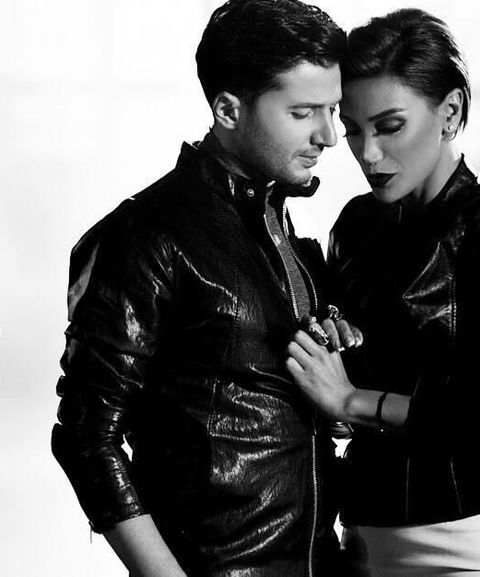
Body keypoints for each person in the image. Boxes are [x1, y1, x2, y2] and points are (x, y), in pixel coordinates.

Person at [51, 1, 350, 576]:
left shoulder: (286, 236)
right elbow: (87, 436)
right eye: (303, 112)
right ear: (228, 109)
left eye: (333, 110)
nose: (329, 135)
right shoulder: (146, 234)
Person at [286, 8, 480, 577]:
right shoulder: (355, 227)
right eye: (353, 129)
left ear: (450, 113)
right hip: (363, 533)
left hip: (474, 539)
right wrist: (329, 359)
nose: (368, 154)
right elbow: (340, 401)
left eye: (389, 126)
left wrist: (351, 400)